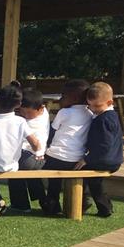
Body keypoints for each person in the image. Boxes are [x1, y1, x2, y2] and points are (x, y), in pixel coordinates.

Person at [0, 84, 41, 217]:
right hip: (13, 166)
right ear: (19, 104)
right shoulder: (20, 122)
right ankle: (10, 203)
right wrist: (37, 153)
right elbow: (35, 143)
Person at [40, 79, 92, 215]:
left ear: (73, 98)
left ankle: (52, 204)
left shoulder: (64, 113)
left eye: (63, 96)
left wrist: (45, 148)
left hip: (56, 156)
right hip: (77, 159)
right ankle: (82, 201)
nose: (60, 99)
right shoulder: (90, 114)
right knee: (82, 180)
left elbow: (53, 130)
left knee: (54, 182)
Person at [77, 81, 124, 217]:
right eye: (90, 106)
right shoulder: (112, 116)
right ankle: (105, 208)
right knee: (95, 183)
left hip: (104, 159)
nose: (93, 109)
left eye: (97, 106)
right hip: (114, 159)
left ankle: (82, 203)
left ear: (110, 102)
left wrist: (87, 159)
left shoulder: (104, 120)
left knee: (80, 173)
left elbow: (105, 145)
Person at [8, 87, 49, 212]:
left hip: (29, 156)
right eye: (22, 112)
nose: (25, 116)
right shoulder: (43, 113)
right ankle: (45, 202)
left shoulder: (25, 122)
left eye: (28, 113)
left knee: (13, 170)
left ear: (41, 108)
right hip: (38, 158)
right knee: (32, 175)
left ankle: (20, 204)